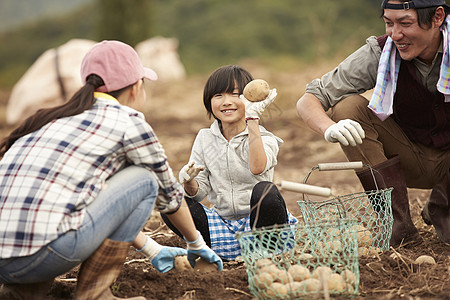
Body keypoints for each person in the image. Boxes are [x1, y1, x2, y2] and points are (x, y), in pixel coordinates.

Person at [0, 40, 222, 300]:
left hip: (6, 262)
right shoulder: (129, 123)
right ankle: (95, 294)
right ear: (136, 87)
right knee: (145, 180)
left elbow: (104, 207)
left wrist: (151, 248)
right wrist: (196, 243)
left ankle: (22, 290)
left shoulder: (51, 118)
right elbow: (170, 197)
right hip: (44, 256)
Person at [296, 0, 450, 246]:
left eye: (405, 23)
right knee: (347, 108)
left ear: (437, 17)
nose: (395, 34)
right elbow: (309, 99)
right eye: (389, 23)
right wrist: (329, 128)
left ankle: (442, 204)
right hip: (406, 156)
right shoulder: (381, 52)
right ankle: (397, 224)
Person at [161, 65, 298, 261]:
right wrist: (188, 181)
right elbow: (198, 193)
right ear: (209, 102)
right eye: (218, 95)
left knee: (266, 191)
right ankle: (208, 249)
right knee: (171, 202)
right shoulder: (205, 138)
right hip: (221, 226)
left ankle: (267, 255)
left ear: (248, 99)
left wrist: (253, 119)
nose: (226, 102)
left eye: (235, 94)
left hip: (260, 225)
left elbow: (258, 167)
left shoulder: (265, 137)